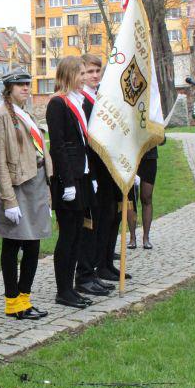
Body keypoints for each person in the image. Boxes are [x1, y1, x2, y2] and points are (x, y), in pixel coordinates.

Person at [0, 69, 51, 319]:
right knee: (13, 244)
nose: (26, 88)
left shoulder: (27, 112)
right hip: (17, 186)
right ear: (9, 88)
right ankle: (12, 302)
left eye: (28, 84)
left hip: (36, 183)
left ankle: (25, 298)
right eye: (20, 84)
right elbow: (0, 162)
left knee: (34, 245)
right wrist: (8, 199)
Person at [46, 56, 96, 308]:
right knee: (67, 236)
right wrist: (66, 182)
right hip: (68, 179)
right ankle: (62, 289)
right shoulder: (58, 104)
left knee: (78, 234)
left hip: (82, 176)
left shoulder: (77, 101)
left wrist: (90, 177)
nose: (85, 78)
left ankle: (72, 286)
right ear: (68, 75)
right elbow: (58, 146)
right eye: (80, 73)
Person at [75, 53, 120, 292]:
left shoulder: (99, 97)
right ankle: (91, 267)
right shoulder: (82, 100)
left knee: (110, 215)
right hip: (92, 168)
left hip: (106, 166)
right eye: (88, 72)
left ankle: (104, 262)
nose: (93, 76)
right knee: (95, 220)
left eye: (96, 72)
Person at [128, 146, 159, 249]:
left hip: (149, 157)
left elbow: (162, 139)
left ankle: (146, 238)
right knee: (131, 198)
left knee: (147, 197)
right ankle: (132, 238)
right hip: (131, 156)